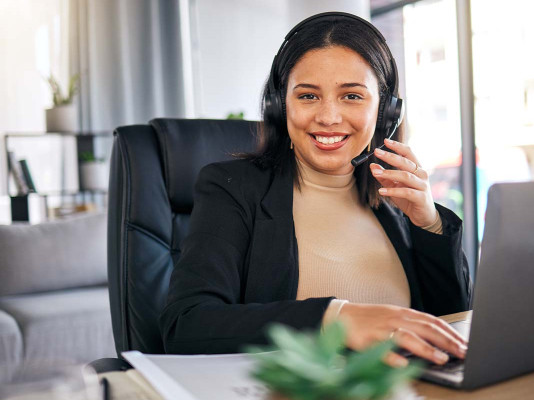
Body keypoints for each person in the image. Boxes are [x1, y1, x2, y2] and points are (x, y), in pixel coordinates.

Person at [160, 12, 472, 367]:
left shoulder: (396, 201)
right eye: (308, 96)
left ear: (385, 112)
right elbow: (185, 326)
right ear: (279, 106)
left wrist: (428, 223)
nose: (328, 117)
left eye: (352, 96)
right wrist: (332, 318)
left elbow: (453, 327)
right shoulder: (232, 188)